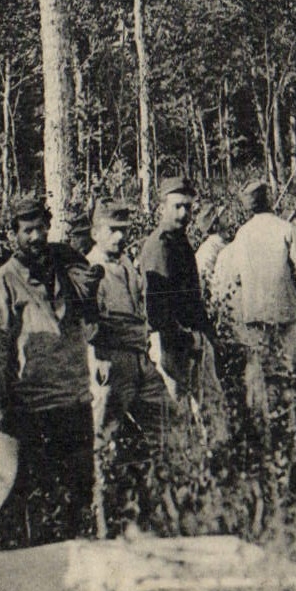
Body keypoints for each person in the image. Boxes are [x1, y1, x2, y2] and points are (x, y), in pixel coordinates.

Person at [0, 192, 103, 550]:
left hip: (72, 399)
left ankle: (70, 555)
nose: (35, 237)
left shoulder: (67, 271)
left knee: (77, 490)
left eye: (40, 228)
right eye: (27, 230)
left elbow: (91, 320)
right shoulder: (2, 283)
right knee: (13, 487)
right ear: (13, 234)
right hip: (29, 405)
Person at [86, 198, 168, 530]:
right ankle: (103, 524)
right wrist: (98, 356)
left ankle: (160, 513)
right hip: (110, 362)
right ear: (95, 232)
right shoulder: (90, 270)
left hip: (139, 359)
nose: (119, 237)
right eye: (112, 230)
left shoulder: (126, 265)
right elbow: (88, 325)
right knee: (103, 444)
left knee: (167, 426)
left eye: (123, 230)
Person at [211, 178, 296, 414]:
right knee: (294, 370)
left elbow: (234, 277)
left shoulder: (242, 234)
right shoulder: (285, 229)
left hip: (255, 318)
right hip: (287, 314)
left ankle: (265, 422)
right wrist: (294, 293)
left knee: (261, 374)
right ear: (269, 199)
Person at [139, 173, 218, 407]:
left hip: (190, 339)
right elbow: (157, 308)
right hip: (170, 343)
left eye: (188, 207)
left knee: (208, 404)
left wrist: (204, 333)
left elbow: (193, 297)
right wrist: (183, 339)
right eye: (177, 207)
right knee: (175, 410)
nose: (183, 213)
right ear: (161, 208)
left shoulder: (180, 242)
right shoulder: (160, 246)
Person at [193, 201, 228, 293]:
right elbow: (207, 281)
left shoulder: (223, 243)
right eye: (223, 215)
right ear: (215, 224)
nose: (228, 216)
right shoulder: (207, 250)